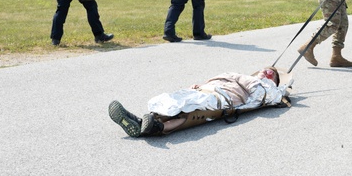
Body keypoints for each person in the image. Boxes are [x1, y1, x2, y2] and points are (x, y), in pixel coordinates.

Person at [108, 67, 290, 137]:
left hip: (221, 98)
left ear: (272, 81)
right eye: (265, 70)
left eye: (271, 74)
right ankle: (142, 123)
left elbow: (265, 96)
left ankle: (155, 127)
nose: (266, 72)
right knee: (172, 100)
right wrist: (203, 84)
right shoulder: (244, 77)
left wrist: (281, 90)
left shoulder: (264, 87)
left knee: (190, 110)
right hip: (208, 89)